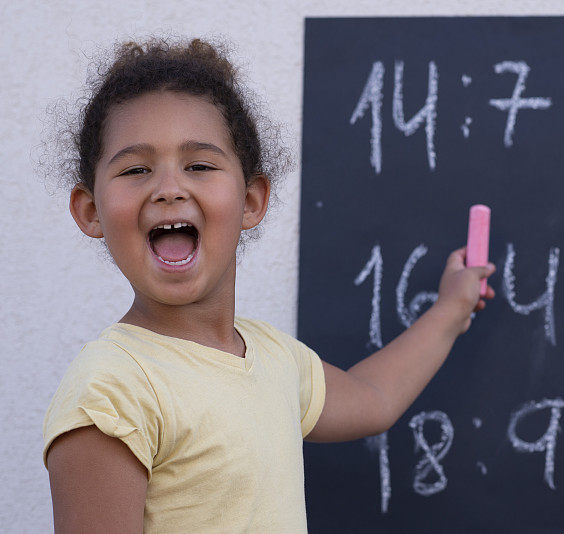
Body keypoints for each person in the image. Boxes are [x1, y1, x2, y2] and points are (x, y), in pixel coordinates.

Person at [41, 36, 495, 533]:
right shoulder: (110, 391)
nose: (169, 188)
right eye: (135, 169)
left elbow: (373, 398)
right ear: (91, 211)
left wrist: (451, 310)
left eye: (199, 165)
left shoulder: (273, 358)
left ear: (252, 201)